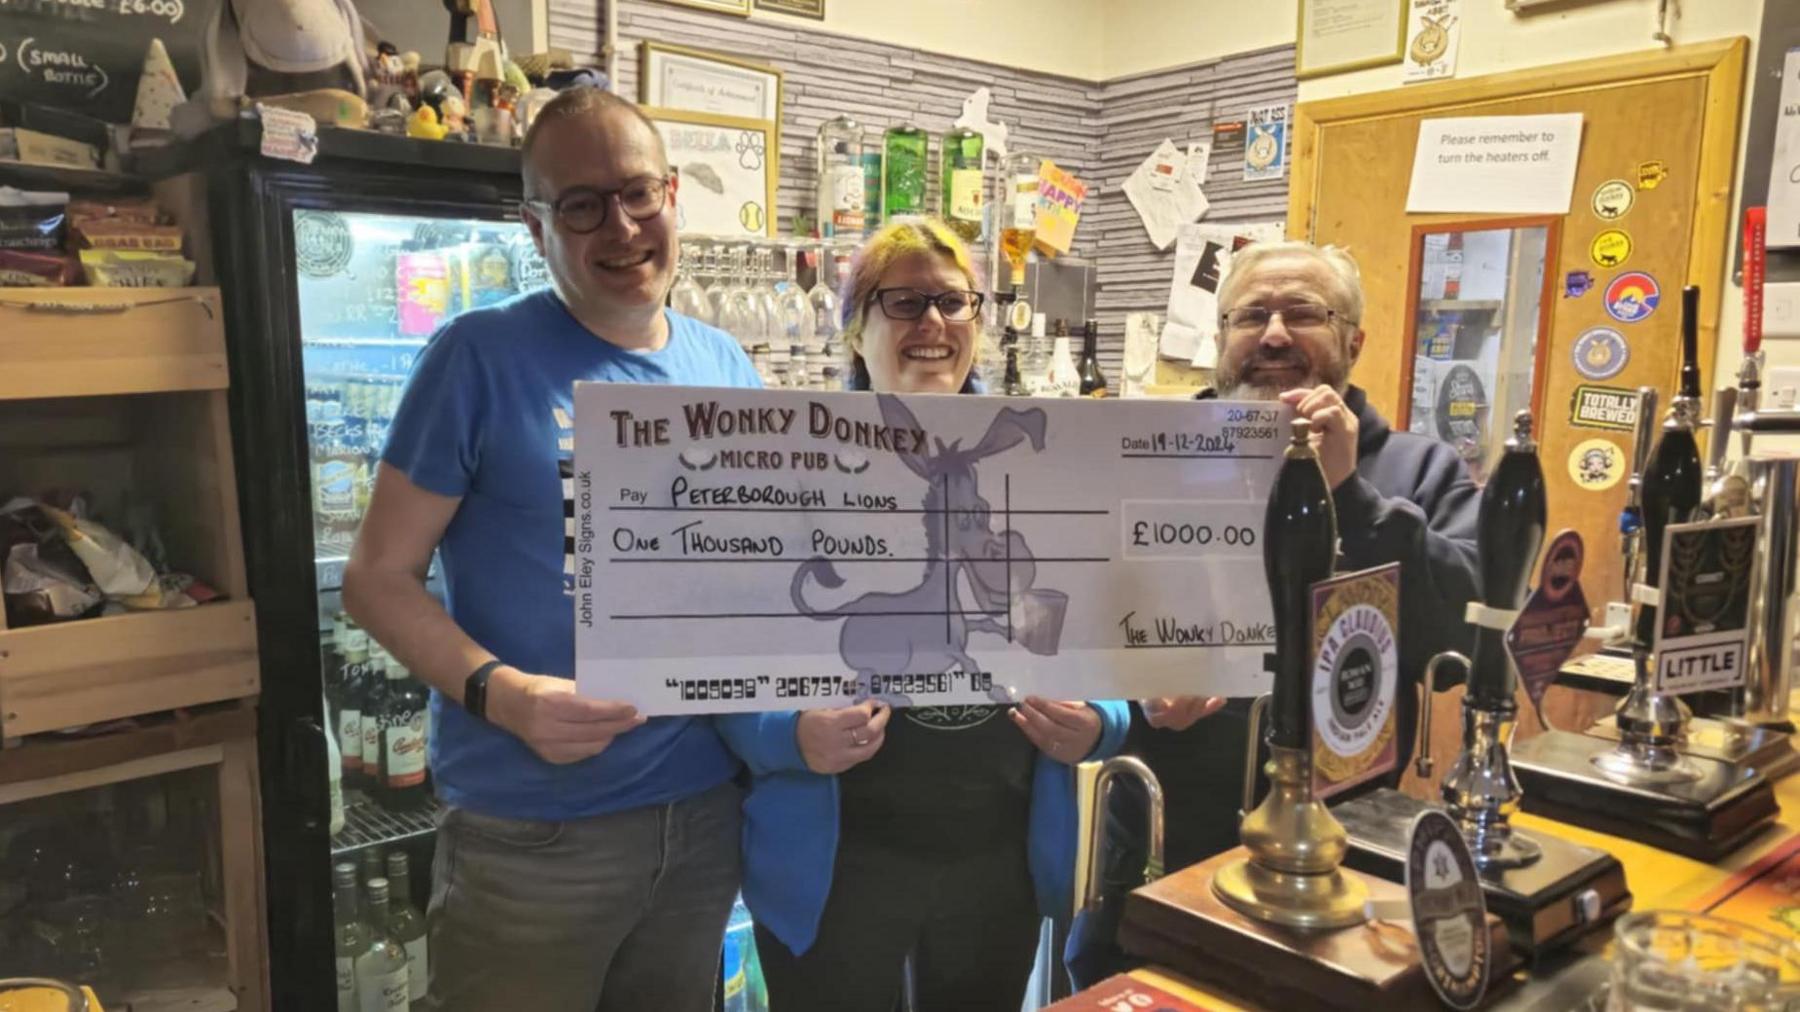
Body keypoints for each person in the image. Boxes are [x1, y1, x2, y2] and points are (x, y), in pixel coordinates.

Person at [341, 87, 761, 1012]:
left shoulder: (725, 364)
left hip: (701, 813)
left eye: (637, 193)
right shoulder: (476, 357)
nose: (620, 226)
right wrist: (506, 692)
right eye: (580, 204)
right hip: (532, 832)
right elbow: (376, 579)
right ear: (536, 228)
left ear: (673, 196)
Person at [717, 218, 1131, 1012]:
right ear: (856, 328)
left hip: (995, 867)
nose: (932, 324)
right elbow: (716, 665)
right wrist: (787, 733)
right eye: (903, 302)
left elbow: (1111, 641)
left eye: (952, 302)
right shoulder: (779, 461)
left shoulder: (1051, 460)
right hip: (838, 872)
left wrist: (1101, 722)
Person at [1117, 240, 1483, 871]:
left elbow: (1464, 649)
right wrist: (1130, 691)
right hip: (1158, 828)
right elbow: (1070, 620)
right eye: (1252, 317)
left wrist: (1354, 499)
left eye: (1305, 314)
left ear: (1355, 343)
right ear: (1220, 336)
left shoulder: (1421, 470)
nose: (1276, 337)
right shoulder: (1147, 458)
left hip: (1345, 842)